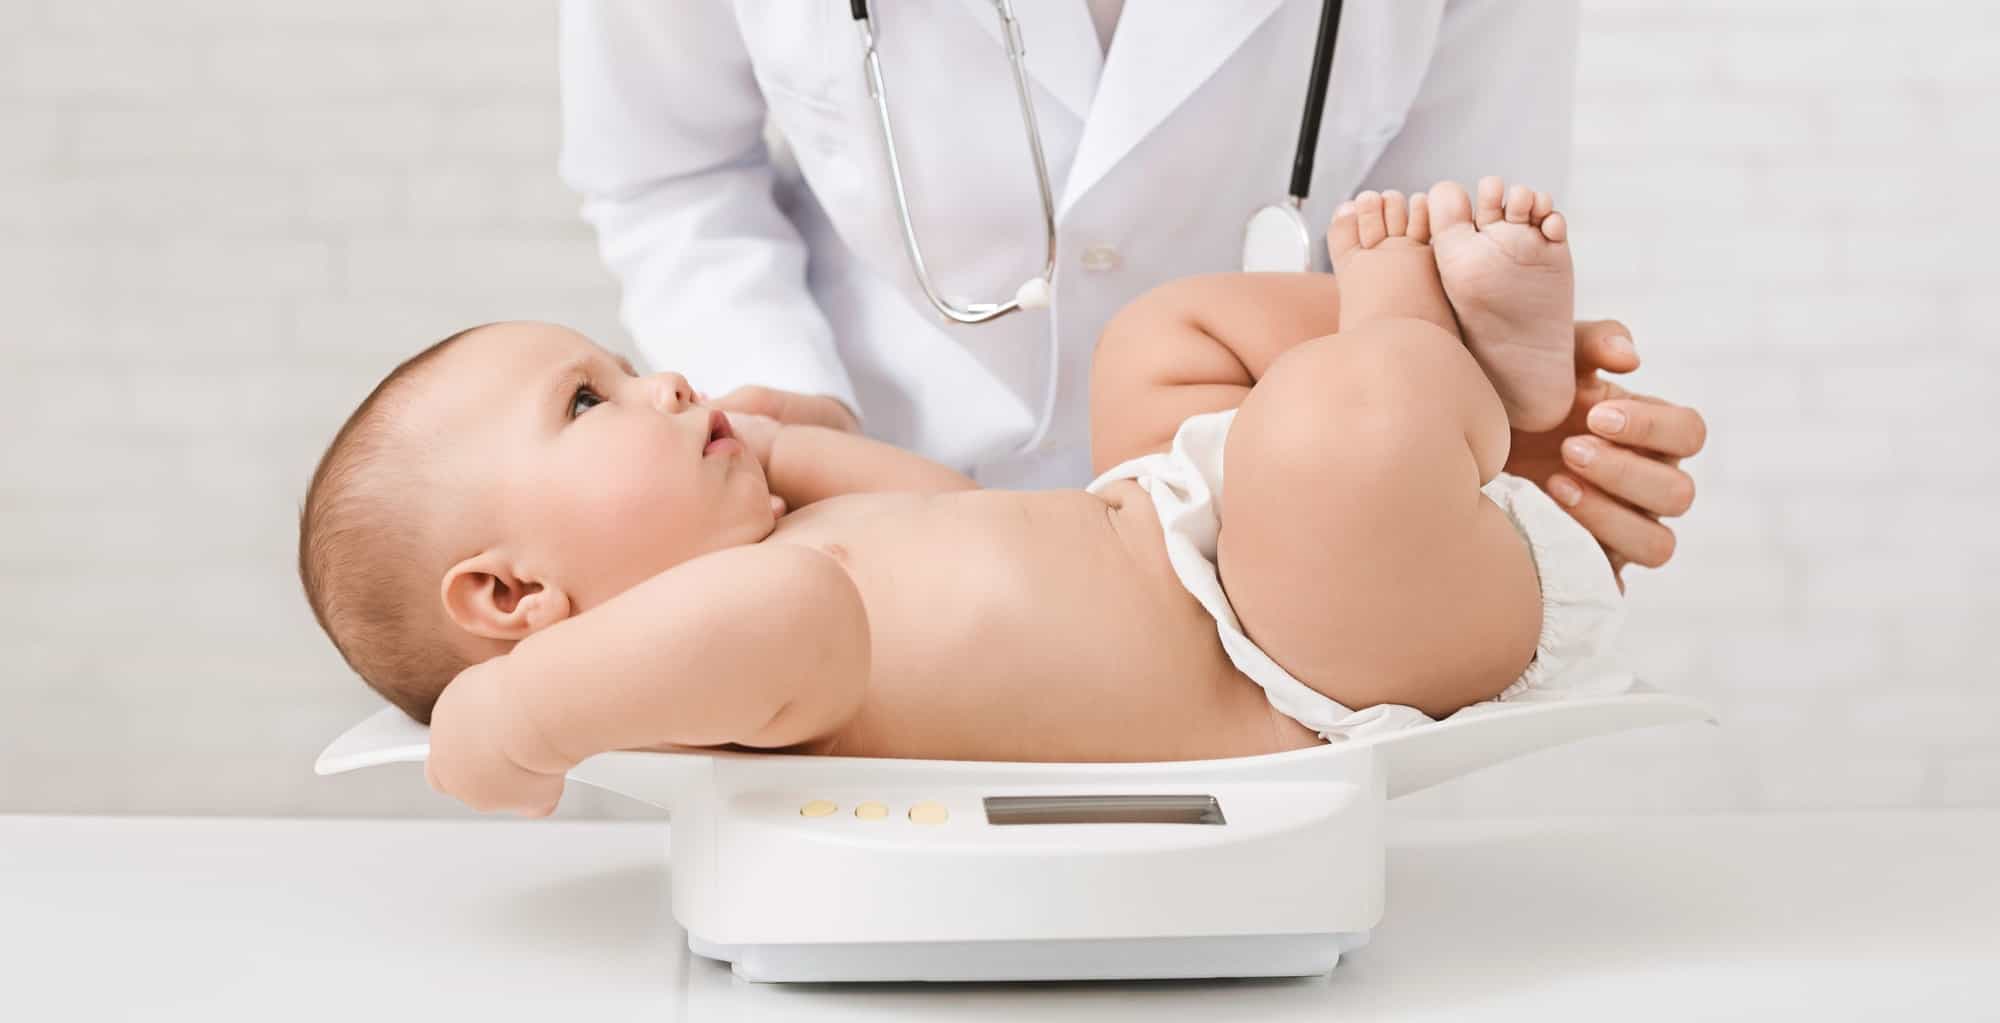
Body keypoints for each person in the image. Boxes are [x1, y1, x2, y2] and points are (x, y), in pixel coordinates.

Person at [301, 179, 1632, 815]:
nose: (664, 381)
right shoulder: (739, 656)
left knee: (1157, 337)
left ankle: (1470, 368)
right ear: (515, 595)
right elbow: (784, 614)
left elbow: (952, 505)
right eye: (590, 401)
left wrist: (800, 451)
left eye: (624, 362)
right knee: (1329, 434)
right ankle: (1414, 335)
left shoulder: (801, 538)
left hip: (1180, 531)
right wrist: (517, 714)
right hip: (1303, 660)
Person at [557, 0, 1707, 584]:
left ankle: (1436, 428)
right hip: (872, 486)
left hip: (1263, 515)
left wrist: (1489, 441)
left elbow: (1451, 220)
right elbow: (667, 171)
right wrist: (786, 405)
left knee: (1410, 308)